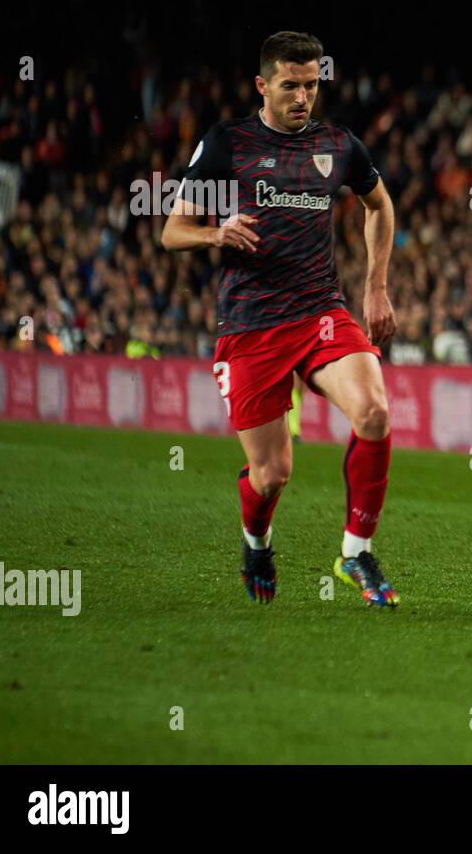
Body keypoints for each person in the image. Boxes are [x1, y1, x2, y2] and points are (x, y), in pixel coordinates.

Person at [160, 31, 400, 607]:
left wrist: (376, 287)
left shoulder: (339, 145)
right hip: (251, 325)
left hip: (321, 311)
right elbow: (172, 231)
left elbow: (379, 205)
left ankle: (356, 554)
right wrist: (216, 231)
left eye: (312, 84)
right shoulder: (227, 143)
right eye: (290, 85)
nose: (302, 96)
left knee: (373, 411)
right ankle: (256, 539)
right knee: (272, 475)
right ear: (262, 85)